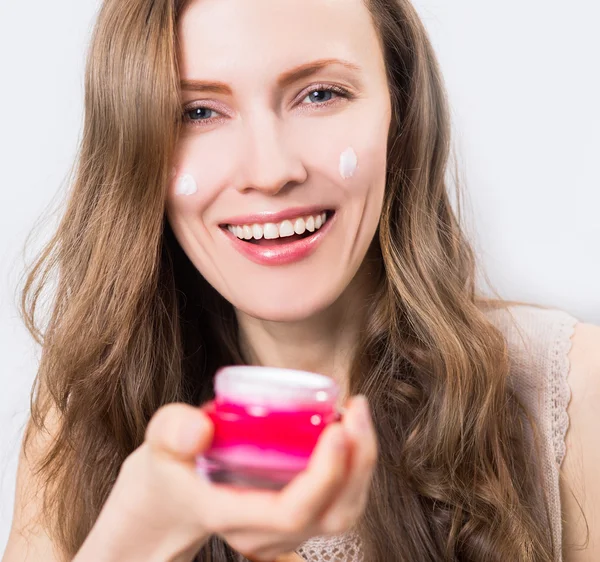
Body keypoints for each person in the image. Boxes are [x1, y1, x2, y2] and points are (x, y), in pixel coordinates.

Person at [2, 0, 599, 560]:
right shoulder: (76, 427)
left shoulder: (571, 395)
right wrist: (138, 538)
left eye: (320, 94)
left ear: (401, 113)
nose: (271, 171)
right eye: (198, 112)